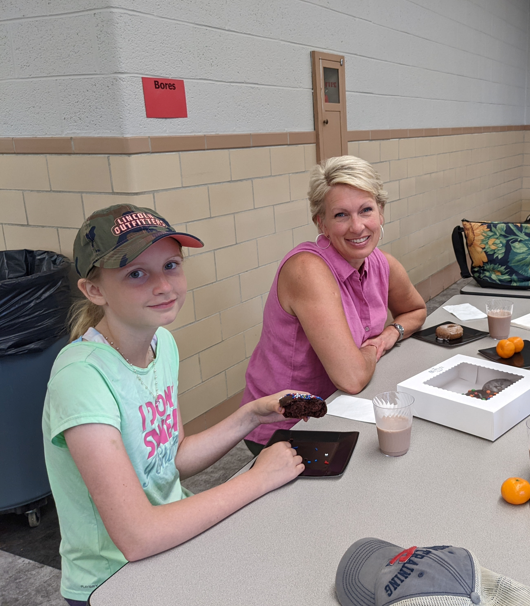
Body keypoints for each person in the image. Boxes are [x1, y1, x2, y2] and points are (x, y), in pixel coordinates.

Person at [42, 205, 306, 606]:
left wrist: (252, 414)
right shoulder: (81, 380)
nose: (164, 286)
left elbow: (172, 459)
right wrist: (256, 479)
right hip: (112, 582)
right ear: (94, 291)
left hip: (173, 549)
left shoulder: (160, 344)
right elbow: (138, 536)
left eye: (171, 265)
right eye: (136, 273)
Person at [241, 155, 427, 454]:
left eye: (366, 210)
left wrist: (391, 333)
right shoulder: (308, 270)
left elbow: (416, 310)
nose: (357, 226)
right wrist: (370, 349)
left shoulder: (381, 263)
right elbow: (351, 377)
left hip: (343, 408)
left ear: (381, 212)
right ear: (322, 223)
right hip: (290, 426)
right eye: (341, 215)